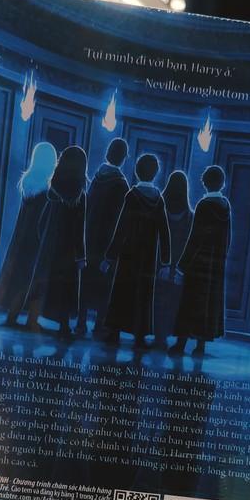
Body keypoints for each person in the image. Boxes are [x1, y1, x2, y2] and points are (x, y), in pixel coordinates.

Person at [100, 153, 171, 348]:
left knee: (122, 292)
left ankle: (114, 332)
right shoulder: (159, 200)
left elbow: (121, 228)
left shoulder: (131, 196)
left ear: (137, 171)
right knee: (143, 295)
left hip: (128, 253)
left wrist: (109, 257)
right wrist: (165, 261)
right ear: (155, 173)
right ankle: (140, 336)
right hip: (148, 256)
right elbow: (164, 232)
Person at [0, 141, 58, 325]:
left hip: (21, 238)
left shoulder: (27, 181)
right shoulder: (48, 190)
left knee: (19, 278)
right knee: (33, 279)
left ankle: (12, 316)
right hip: (36, 239)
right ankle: (30, 320)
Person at [23, 145, 87, 337]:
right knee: (65, 288)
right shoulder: (80, 196)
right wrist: (81, 256)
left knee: (42, 282)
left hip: (49, 246)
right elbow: (79, 229)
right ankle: (64, 326)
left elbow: (42, 221)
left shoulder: (52, 190)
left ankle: (32, 318)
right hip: (68, 251)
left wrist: (42, 238)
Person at [170, 164, 232, 357]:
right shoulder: (226, 207)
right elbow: (227, 239)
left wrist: (182, 266)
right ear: (222, 184)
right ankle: (200, 346)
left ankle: (180, 344)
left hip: (198, 266)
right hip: (216, 266)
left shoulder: (203, 206)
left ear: (205, 183)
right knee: (208, 306)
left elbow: (194, 239)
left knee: (189, 304)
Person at [76, 137, 129, 336]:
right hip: (107, 243)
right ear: (123, 157)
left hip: (89, 239)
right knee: (104, 286)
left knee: (85, 283)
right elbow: (120, 220)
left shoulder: (97, 178)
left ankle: (81, 322)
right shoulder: (121, 184)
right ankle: (99, 325)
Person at [152, 169, 193, 345]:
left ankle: (158, 336)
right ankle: (169, 335)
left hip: (160, 262)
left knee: (157, 301)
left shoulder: (159, 209)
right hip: (179, 265)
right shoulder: (190, 216)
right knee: (174, 303)